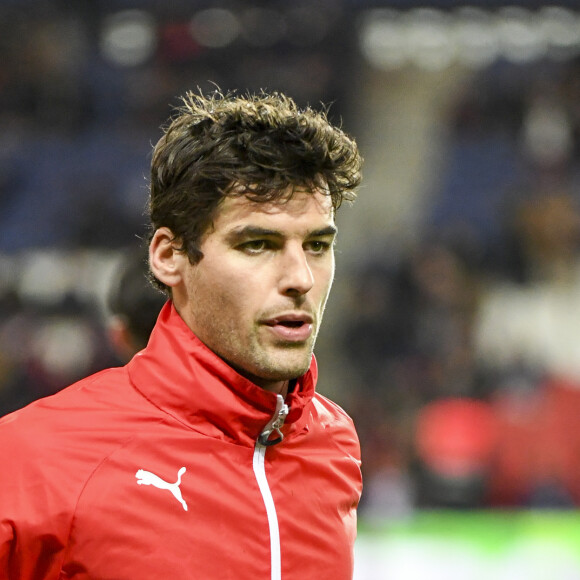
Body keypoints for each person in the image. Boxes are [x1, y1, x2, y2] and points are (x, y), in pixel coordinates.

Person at [0, 89, 363, 579]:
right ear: (169, 256)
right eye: (258, 244)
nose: (300, 277)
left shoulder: (332, 441)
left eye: (317, 244)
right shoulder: (35, 457)